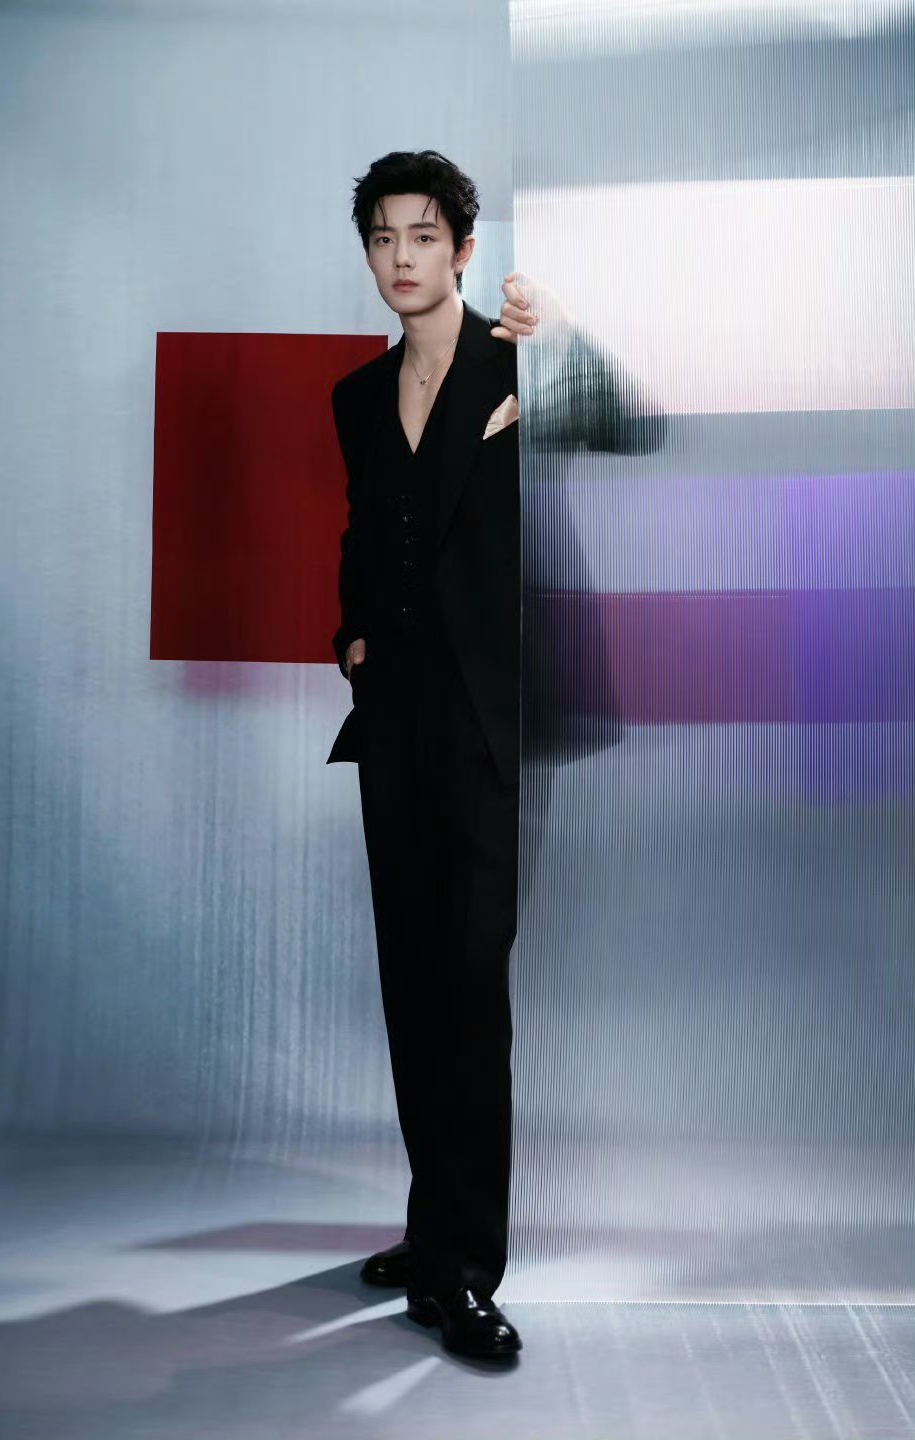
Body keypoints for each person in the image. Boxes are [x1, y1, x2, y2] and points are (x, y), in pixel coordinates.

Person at [326, 149, 665, 1359]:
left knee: (470, 994)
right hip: (393, 725)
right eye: (383, 237)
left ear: (463, 249)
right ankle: (433, 1232)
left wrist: (561, 335)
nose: (402, 257)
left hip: (490, 725)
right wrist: (351, 636)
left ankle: (463, 1268)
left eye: (424, 236)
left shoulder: (514, 358)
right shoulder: (356, 396)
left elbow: (640, 430)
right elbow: (369, 534)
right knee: (412, 988)